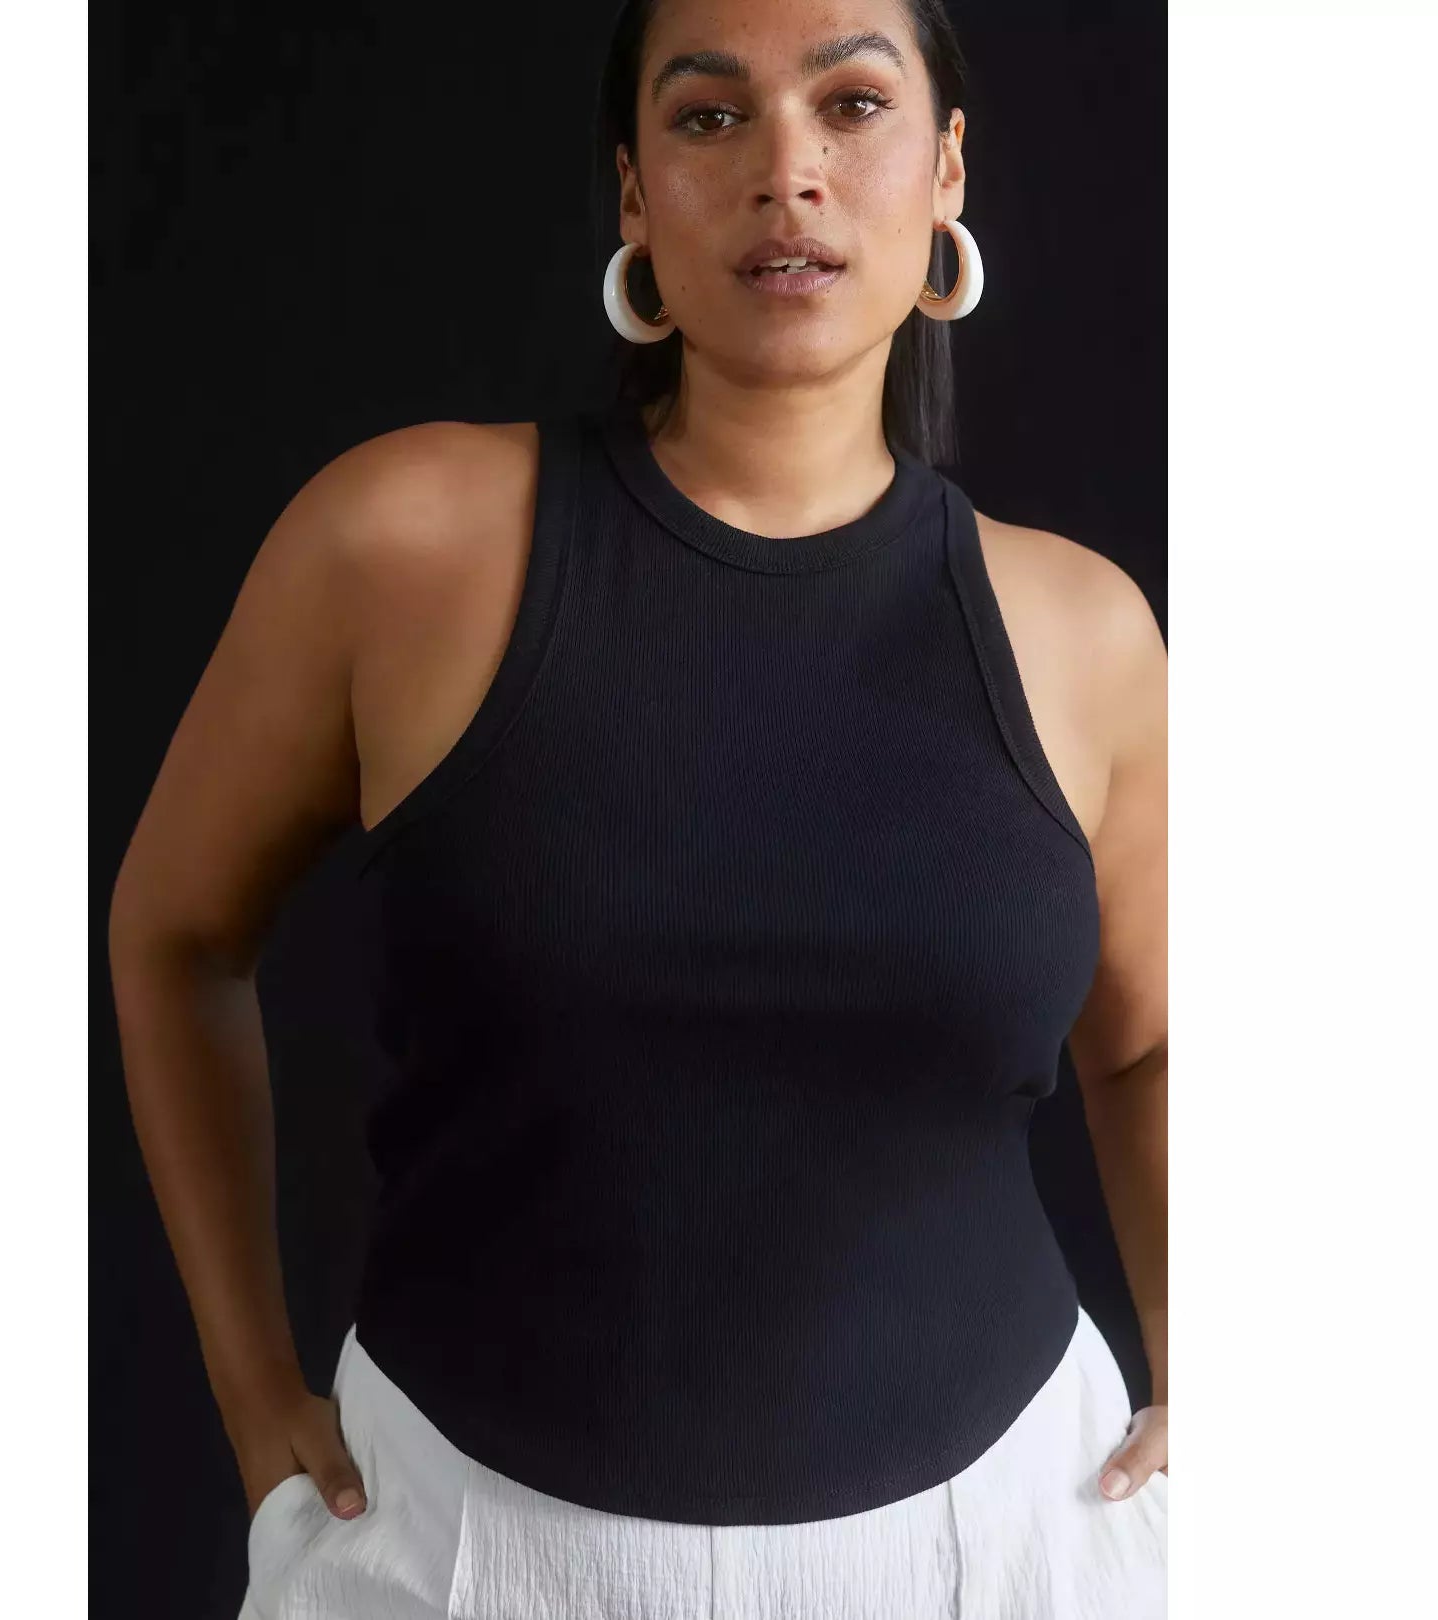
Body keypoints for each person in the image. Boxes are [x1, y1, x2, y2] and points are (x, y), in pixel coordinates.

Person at [106, 0, 1168, 1615]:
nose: (787, 171)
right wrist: (258, 1410)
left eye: (853, 105)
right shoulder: (401, 545)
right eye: (709, 116)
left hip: (1004, 1546)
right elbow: (175, 933)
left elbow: (1151, 1046)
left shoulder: (1083, 631)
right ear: (633, 197)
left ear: (948, 169)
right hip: (463, 1551)